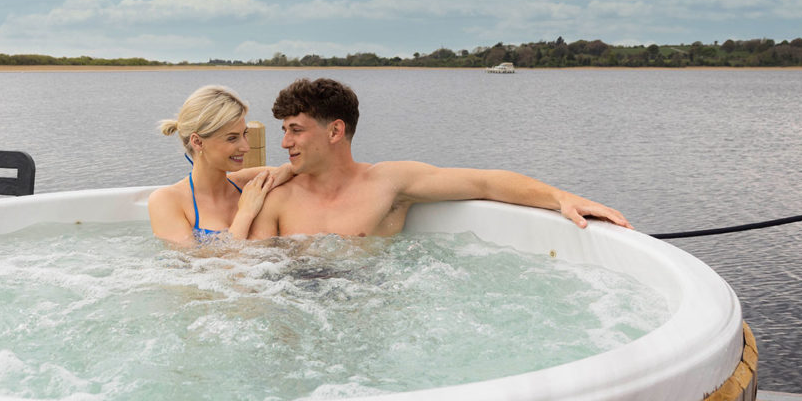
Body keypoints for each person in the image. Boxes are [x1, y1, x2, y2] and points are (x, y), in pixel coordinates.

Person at [249, 78, 630, 239]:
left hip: (365, 310)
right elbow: (249, 280)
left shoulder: (388, 183)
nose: (284, 143)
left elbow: (486, 183)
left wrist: (562, 197)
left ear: (334, 131)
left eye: (295, 130)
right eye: (283, 130)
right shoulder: (277, 195)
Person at [148, 85, 293, 245]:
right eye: (232, 138)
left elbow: (295, 169)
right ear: (197, 141)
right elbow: (200, 267)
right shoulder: (167, 201)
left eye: (244, 134)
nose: (246, 147)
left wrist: (286, 170)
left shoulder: (248, 183)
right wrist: (245, 213)